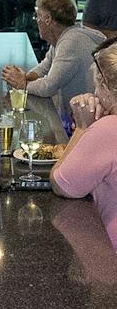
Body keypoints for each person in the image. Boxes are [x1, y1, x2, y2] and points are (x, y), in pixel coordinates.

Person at [1, 0, 104, 122]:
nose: (36, 21)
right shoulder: (63, 37)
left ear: (48, 19)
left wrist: (23, 84)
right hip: (77, 113)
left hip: (86, 118)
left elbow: (49, 86)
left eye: (37, 16)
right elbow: (45, 66)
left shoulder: (71, 41)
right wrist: (25, 77)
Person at [54, 42, 117, 248]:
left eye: (96, 86)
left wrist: (82, 127)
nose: (95, 93)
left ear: (104, 83)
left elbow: (62, 184)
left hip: (109, 260)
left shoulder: (110, 128)